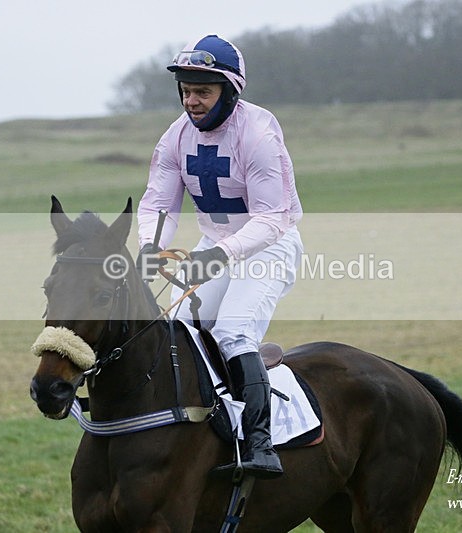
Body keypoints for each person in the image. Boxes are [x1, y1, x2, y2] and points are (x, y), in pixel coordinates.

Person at [136, 34, 303, 478]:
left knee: (231, 331)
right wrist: (150, 249)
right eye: (186, 91)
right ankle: (194, 429)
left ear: (229, 91)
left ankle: (261, 444)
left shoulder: (260, 133)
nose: (191, 101)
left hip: (271, 245)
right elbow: (158, 204)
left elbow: (272, 219)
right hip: (218, 246)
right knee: (181, 331)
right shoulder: (174, 137)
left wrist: (217, 256)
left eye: (202, 92)